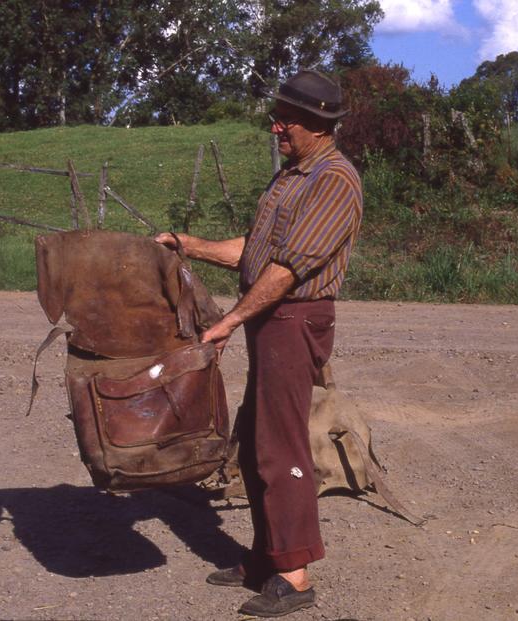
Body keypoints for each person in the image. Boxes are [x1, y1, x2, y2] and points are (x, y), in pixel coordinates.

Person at [155, 68, 362, 618]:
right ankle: (266, 556)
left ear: (319, 124)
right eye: (278, 117)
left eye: (287, 119)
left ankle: (294, 575)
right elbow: (255, 251)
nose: (277, 127)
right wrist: (186, 244)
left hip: (293, 319)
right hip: (271, 319)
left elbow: (287, 271)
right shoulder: (293, 175)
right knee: (255, 435)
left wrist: (226, 322)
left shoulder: (334, 180)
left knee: (281, 445)